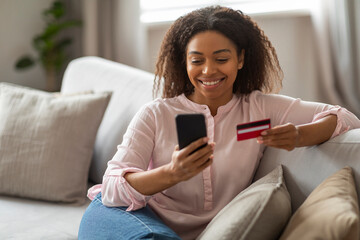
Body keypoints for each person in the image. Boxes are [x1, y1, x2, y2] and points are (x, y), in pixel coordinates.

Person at [78, 5, 360, 240]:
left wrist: (299, 136)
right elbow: (113, 188)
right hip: (131, 215)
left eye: (221, 59)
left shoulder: (259, 108)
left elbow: (345, 117)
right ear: (184, 63)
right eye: (196, 60)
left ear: (240, 59)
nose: (208, 70)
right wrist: (172, 173)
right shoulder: (155, 114)